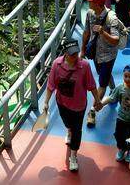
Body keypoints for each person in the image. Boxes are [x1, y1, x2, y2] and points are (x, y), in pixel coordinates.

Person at [43, 39, 102, 172]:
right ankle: (69, 130)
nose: (75, 56)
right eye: (72, 54)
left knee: (77, 130)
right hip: (62, 103)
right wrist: (46, 102)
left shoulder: (84, 66)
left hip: (79, 106)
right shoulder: (56, 64)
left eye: (76, 53)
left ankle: (73, 156)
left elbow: (91, 85)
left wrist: (97, 100)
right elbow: (51, 84)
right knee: (67, 123)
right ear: (65, 53)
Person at [81, 0, 121, 127]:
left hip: (108, 55)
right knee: (103, 74)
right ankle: (114, 90)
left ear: (97, 4)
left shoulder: (111, 18)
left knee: (102, 84)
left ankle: (92, 111)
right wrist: (82, 50)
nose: (88, 2)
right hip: (95, 53)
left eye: (90, 1)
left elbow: (116, 40)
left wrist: (103, 32)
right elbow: (86, 32)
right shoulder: (90, 13)